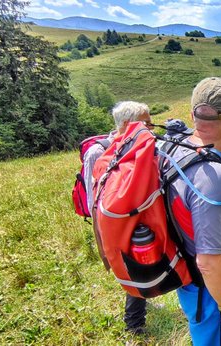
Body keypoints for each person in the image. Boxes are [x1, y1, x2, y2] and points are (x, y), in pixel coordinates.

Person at [168, 77, 221, 345]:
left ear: (193, 114)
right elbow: (208, 262)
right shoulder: (213, 176)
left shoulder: (179, 150)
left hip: (197, 285)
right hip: (213, 292)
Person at [82, 101, 153, 335]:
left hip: (136, 216)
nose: (151, 129)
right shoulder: (98, 152)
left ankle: (144, 299)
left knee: (140, 266)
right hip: (114, 222)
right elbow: (96, 197)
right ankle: (134, 325)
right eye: (146, 123)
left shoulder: (139, 145)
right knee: (131, 268)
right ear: (126, 124)